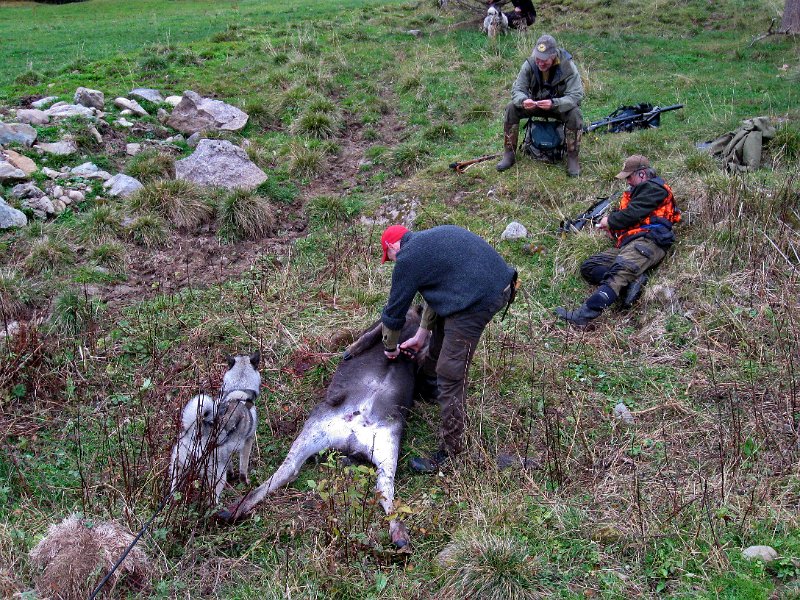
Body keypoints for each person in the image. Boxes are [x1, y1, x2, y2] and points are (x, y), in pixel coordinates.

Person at [379, 224, 517, 473]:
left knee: (450, 371)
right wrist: (422, 334)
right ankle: (430, 389)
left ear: (391, 247)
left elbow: (395, 310)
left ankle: (451, 453)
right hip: (491, 284)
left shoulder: (407, 258)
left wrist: (389, 347)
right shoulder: (430, 242)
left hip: (479, 300)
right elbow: (440, 293)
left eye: (387, 257)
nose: (391, 262)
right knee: (439, 341)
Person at [555, 155, 681, 327]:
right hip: (631, 242)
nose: (627, 181)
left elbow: (632, 214)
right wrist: (613, 231)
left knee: (618, 273)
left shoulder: (655, 189)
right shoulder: (640, 193)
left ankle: (583, 316)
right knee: (589, 267)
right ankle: (633, 282)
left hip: (649, 242)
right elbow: (636, 220)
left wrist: (611, 221)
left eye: (629, 176)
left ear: (642, 174)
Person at [496, 33, 584, 177]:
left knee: (575, 113)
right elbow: (517, 89)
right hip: (534, 105)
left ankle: (572, 158)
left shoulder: (567, 67)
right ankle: (509, 153)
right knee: (512, 108)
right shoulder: (530, 64)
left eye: (545, 60)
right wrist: (523, 100)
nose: (540, 63)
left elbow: (576, 96)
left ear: (554, 55)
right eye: (538, 58)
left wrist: (555, 103)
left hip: (557, 107)